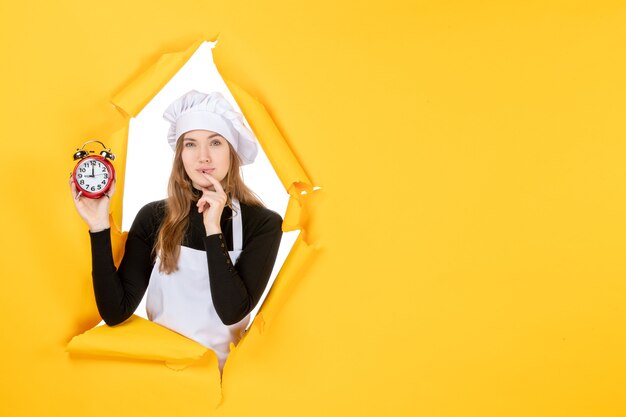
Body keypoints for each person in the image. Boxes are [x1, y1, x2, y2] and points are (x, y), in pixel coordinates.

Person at [69, 90, 284, 371]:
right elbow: (115, 312)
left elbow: (232, 312)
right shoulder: (153, 217)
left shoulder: (263, 224)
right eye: (191, 144)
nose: (203, 157)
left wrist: (212, 227)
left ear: (232, 152)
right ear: (180, 155)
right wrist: (98, 227)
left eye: (215, 142)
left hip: (222, 380)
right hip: (160, 375)